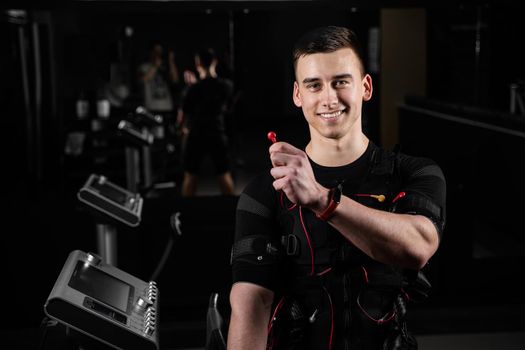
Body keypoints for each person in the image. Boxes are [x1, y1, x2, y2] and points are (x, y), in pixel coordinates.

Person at [227, 26, 446, 350]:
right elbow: (251, 303)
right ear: (297, 94)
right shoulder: (263, 192)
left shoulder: (414, 172)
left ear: (366, 87)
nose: (329, 98)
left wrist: (321, 199)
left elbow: (418, 246)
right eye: (314, 85)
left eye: (341, 82)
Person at [178, 47, 235, 196]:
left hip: (196, 134)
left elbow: (182, 116)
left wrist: (181, 128)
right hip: (217, 133)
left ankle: (186, 213)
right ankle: (233, 213)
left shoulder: (193, 89)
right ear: (214, 62)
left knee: (190, 176)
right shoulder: (226, 86)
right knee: (224, 174)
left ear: (197, 64)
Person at [137, 40, 180, 116]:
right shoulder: (144, 67)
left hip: (167, 108)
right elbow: (143, 80)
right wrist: (155, 65)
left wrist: (171, 61)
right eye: (156, 51)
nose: (158, 54)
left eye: (160, 51)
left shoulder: (164, 68)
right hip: (152, 108)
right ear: (151, 52)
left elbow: (175, 79)